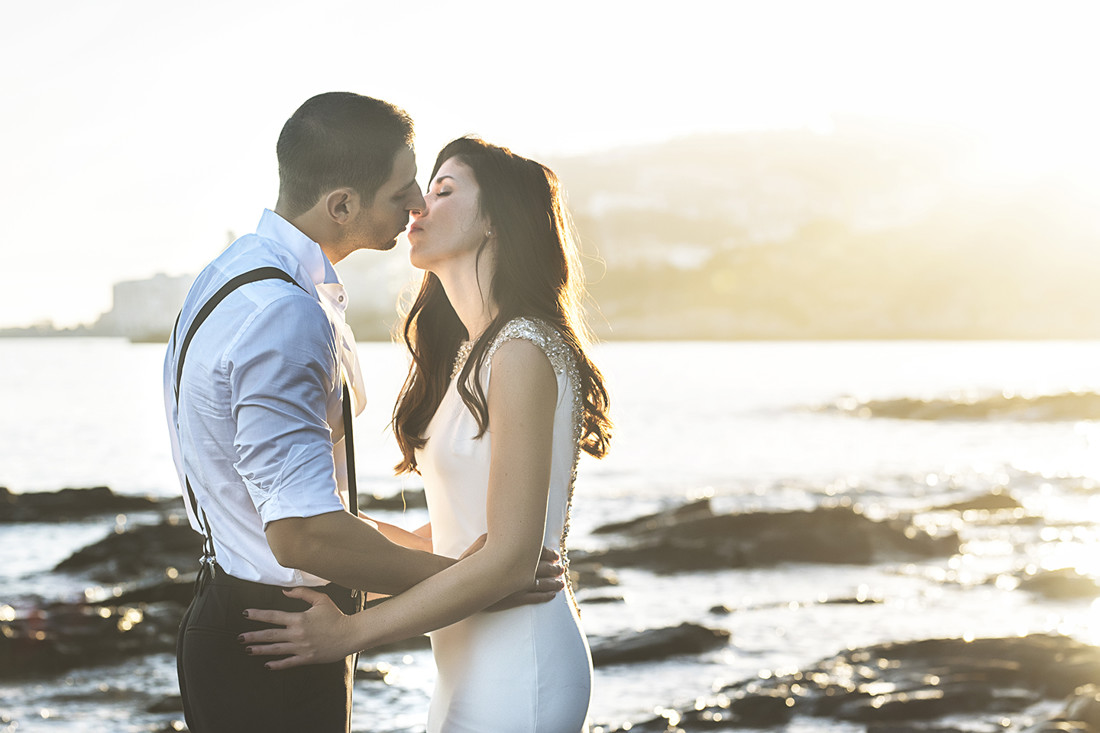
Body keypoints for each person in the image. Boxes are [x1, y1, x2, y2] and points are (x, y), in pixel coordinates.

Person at [164, 95, 562, 733]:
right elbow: (304, 536)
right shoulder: (283, 312)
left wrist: (469, 572)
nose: (415, 207)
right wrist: (477, 581)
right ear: (342, 204)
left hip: (250, 615)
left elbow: (288, 511)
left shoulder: (229, 280)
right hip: (280, 635)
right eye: (403, 190)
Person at [240, 137, 613, 732]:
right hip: (467, 660)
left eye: (443, 191)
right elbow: (456, 534)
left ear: (495, 220)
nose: (418, 206)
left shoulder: (522, 348)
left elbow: (512, 560)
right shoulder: (474, 354)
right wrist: (321, 532)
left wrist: (349, 633)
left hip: (523, 661)